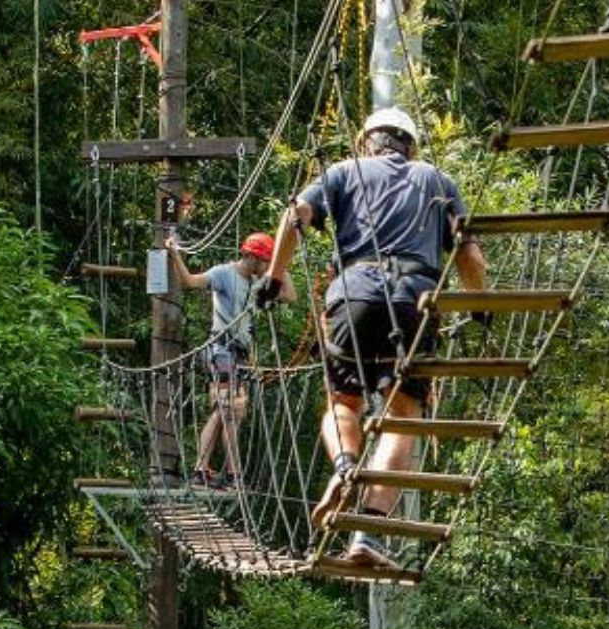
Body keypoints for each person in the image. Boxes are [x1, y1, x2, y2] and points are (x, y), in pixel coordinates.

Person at [256, 107, 487, 569]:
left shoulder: (343, 172)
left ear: (367, 142)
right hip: (416, 302)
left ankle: (345, 467)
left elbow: (294, 216)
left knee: (343, 403)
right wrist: (480, 303)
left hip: (352, 298)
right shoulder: (439, 182)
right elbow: (469, 255)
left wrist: (275, 278)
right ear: (411, 146)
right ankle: (369, 532)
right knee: (402, 418)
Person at [166, 232, 295, 489]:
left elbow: (290, 296)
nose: (265, 267)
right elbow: (190, 282)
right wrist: (174, 254)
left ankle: (204, 470)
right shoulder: (224, 273)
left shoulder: (260, 282)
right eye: (263, 261)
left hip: (241, 354)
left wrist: (282, 264)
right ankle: (230, 474)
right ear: (249, 256)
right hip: (221, 350)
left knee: (229, 412)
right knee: (229, 408)